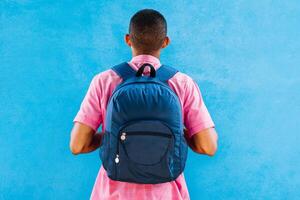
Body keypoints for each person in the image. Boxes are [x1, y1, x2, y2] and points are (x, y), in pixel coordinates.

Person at [70, 8, 218, 200]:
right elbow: (208, 146)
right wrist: (177, 135)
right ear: (165, 42)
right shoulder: (182, 84)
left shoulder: (104, 81)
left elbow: (77, 145)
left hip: (112, 194)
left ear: (128, 39)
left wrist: (113, 137)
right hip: (167, 193)